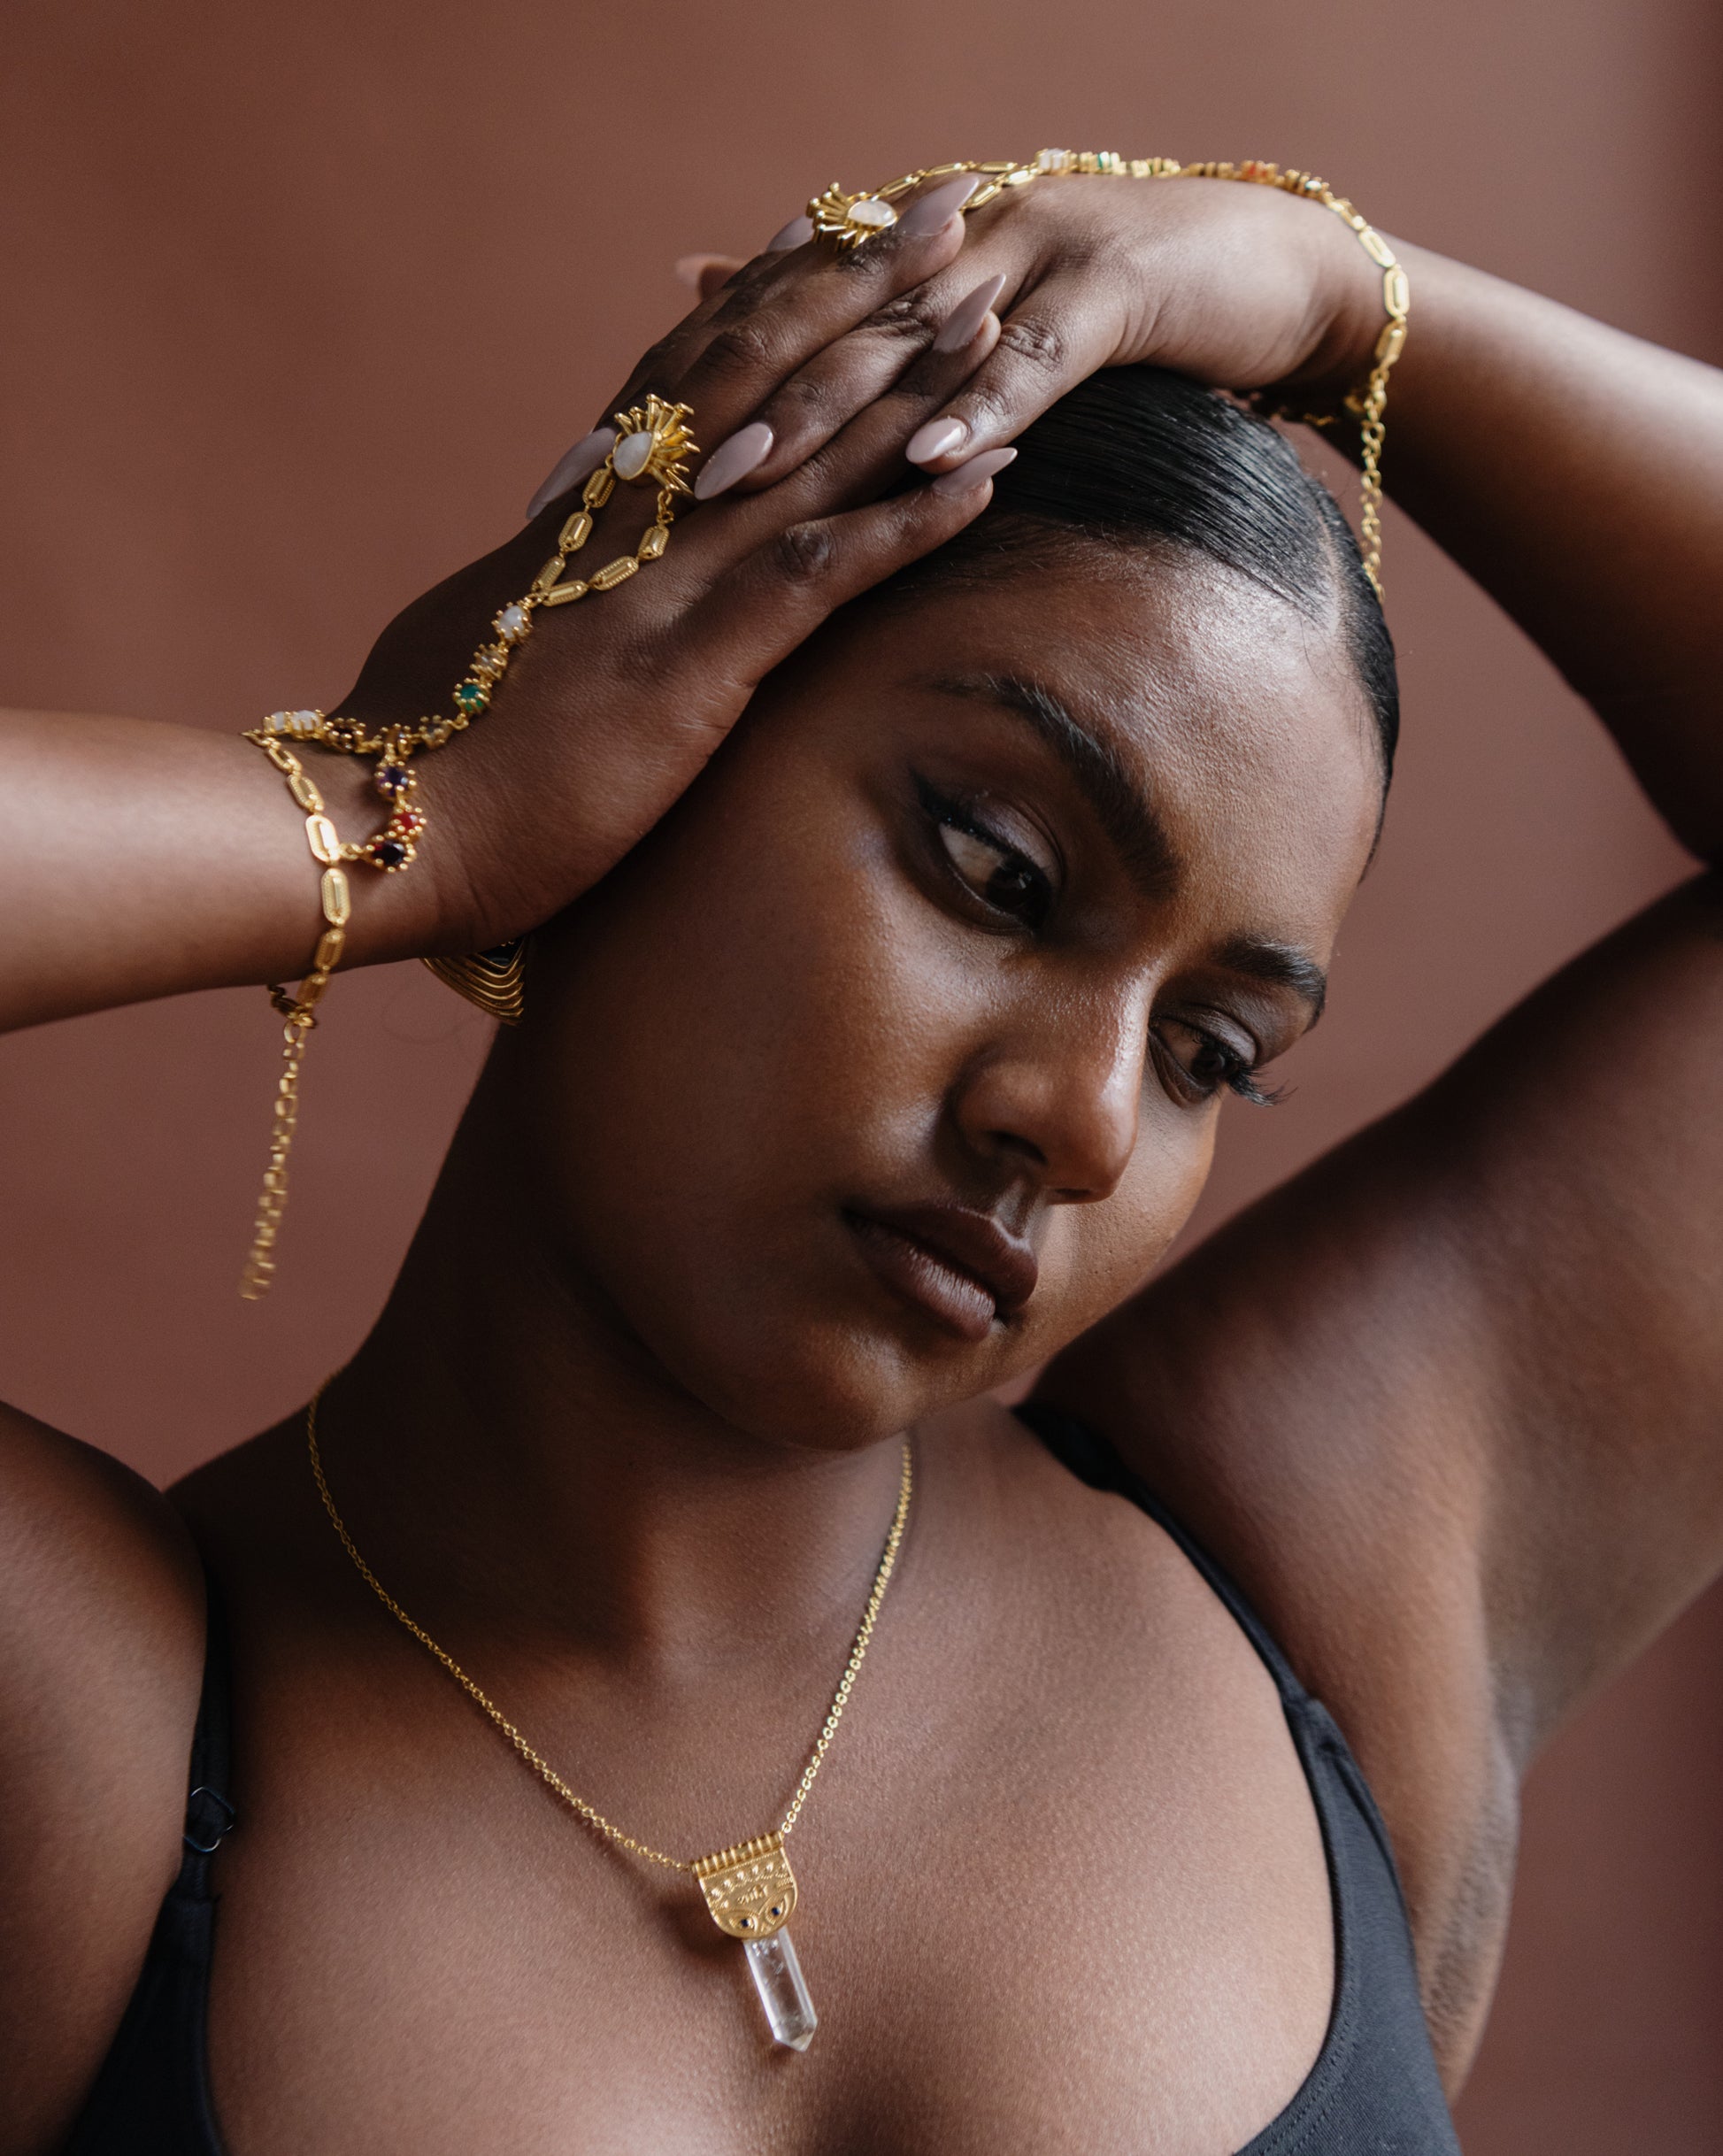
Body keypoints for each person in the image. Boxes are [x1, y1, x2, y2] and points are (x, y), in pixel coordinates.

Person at [3, 152, 1719, 2156]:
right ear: (648, 741)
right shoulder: (97, 1746)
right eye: (997, 872)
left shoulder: (1320, 1561)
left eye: (1210, 1053)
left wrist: (1336, 290)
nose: (1081, 1121)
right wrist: (410, 808)